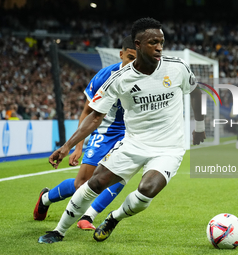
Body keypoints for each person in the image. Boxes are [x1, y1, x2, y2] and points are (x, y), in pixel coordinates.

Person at [38, 17, 205, 244]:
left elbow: (196, 92)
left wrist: (199, 126)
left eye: (161, 42)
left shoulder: (176, 68)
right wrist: (67, 146)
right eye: (152, 42)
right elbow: (94, 116)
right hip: (133, 144)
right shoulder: (119, 79)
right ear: (137, 44)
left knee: (147, 189)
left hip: (168, 147)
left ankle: (114, 218)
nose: (159, 47)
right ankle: (58, 231)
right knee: (93, 183)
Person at [33, 35, 137, 231]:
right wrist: (78, 146)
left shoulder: (146, 75)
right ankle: (46, 198)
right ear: (121, 54)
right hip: (105, 131)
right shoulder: (106, 76)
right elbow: (88, 112)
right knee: (82, 184)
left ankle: (88, 216)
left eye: (138, 60)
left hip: (130, 134)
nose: (134, 64)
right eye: (130, 58)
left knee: (121, 175)